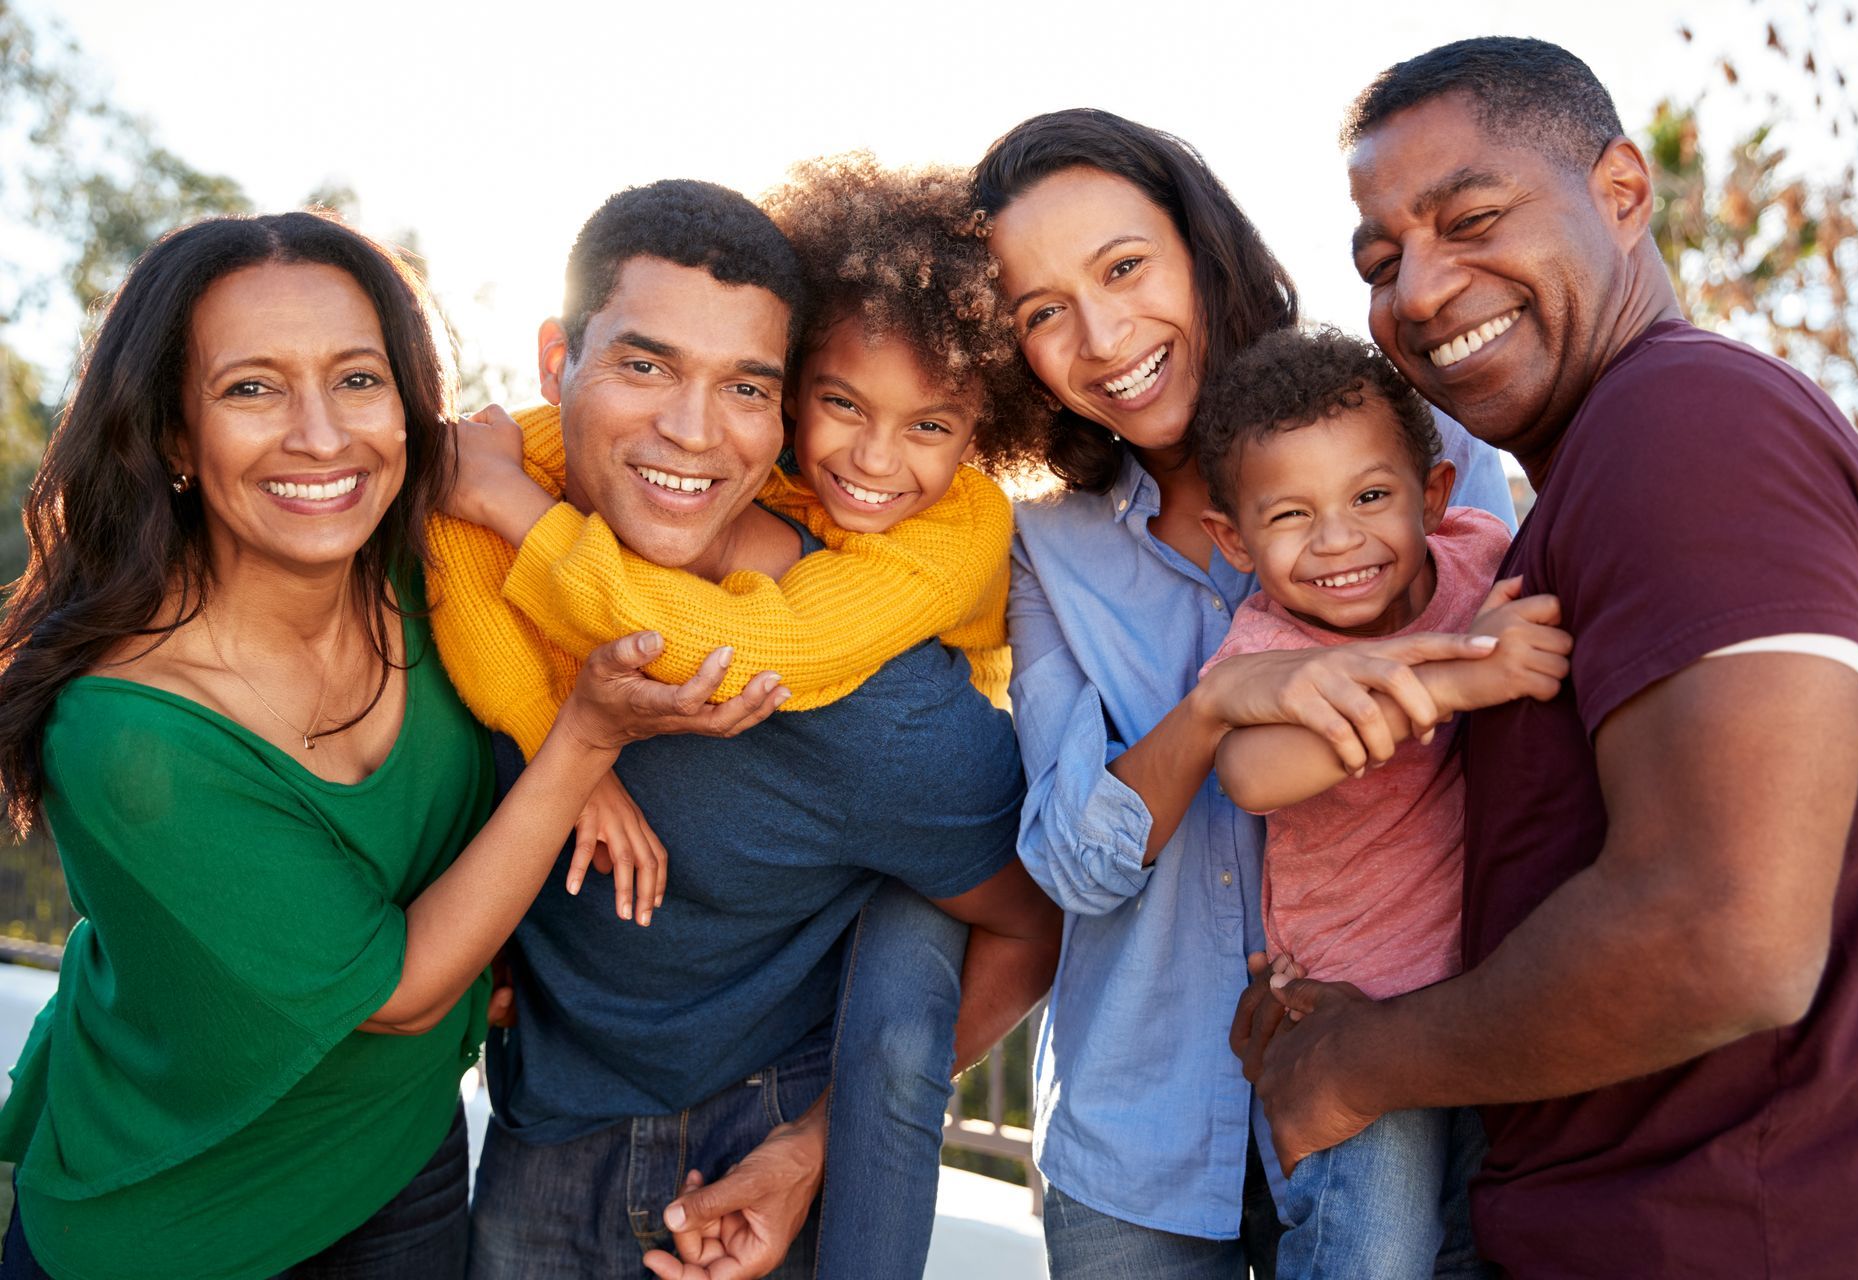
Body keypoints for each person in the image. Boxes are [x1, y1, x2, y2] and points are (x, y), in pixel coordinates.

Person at [1234, 36, 1858, 1278]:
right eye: (1382, 262)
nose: (1423, 290)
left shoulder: (1690, 419)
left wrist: (1358, 1065)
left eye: (1473, 218)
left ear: (1621, 189)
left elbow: (1726, 932)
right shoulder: (1583, 488)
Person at [0, 212, 714, 1280]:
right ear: (173, 437)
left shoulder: (429, 574)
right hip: (179, 1219)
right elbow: (400, 991)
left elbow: (647, 442)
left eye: (357, 379)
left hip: (404, 1154)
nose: (323, 436)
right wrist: (584, 744)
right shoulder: (128, 733)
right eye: (252, 388)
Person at [430, 156, 1055, 1277]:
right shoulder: (488, 512)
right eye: (645, 363)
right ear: (554, 360)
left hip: (750, 1141)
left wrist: (816, 1145)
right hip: (533, 1127)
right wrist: (561, 748)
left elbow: (1033, 918)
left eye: (742, 386)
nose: (692, 428)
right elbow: (451, 518)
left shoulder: (883, 686)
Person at [972, 110, 1516, 1277]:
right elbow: (1072, 858)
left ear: (1198, 245)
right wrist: (1223, 704)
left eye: (1123, 268)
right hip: (1145, 1139)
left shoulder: (1428, 449)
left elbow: (1517, 728)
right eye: (1042, 313)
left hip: (1404, 1080)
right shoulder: (1048, 552)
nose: (1103, 335)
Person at [1190, 326, 1567, 1278]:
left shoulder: (1483, 556)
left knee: (1482, 1251)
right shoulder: (1266, 641)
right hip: (1349, 1024)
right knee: (1373, 1260)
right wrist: (1446, 686)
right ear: (1234, 539)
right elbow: (1250, 773)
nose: (1338, 541)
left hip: (1488, 1007)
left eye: (1369, 497)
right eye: (1290, 517)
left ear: (1434, 497)